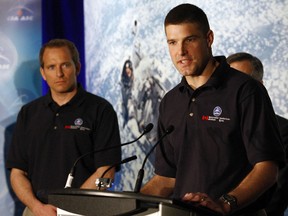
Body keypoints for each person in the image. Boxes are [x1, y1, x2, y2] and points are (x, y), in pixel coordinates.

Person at [140, 4, 285, 216]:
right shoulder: (170, 101)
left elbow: (267, 168)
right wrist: (129, 204)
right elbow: (166, 178)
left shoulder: (245, 91)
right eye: (172, 42)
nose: (180, 51)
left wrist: (225, 204)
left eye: (189, 40)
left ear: (209, 38)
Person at [6, 39, 121, 216]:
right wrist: (37, 207)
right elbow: (17, 173)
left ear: (77, 67)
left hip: (86, 211)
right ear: (43, 73)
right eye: (51, 67)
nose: (59, 73)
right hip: (38, 211)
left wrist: (72, 207)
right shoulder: (28, 113)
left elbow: (107, 172)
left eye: (65, 65)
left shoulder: (100, 110)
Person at [227, 52, 288, 216]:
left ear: (259, 86)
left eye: (241, 83)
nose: (233, 90)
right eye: (228, 83)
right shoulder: (215, 128)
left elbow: (278, 193)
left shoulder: (282, 130)